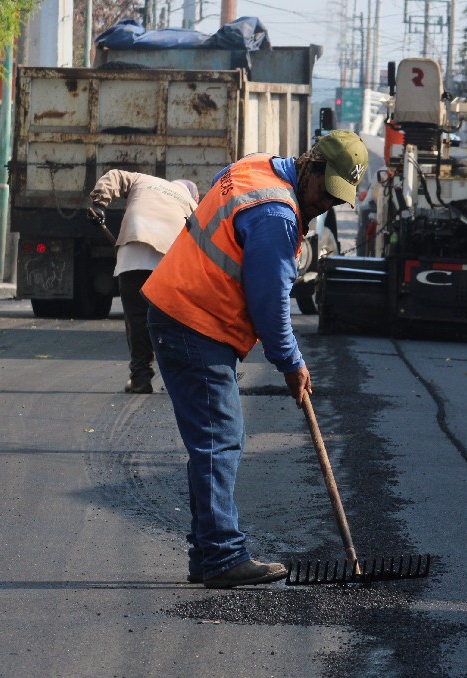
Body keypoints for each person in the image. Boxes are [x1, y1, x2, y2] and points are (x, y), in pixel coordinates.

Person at [141, 130, 368, 588]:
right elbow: (270, 307)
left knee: (215, 439)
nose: (326, 203)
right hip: (194, 321)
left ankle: (208, 555)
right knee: (219, 439)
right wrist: (292, 364)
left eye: (337, 200)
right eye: (326, 191)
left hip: (181, 310)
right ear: (312, 166)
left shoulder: (256, 166)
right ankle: (223, 556)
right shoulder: (277, 218)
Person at [88, 171, 199, 394]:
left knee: (137, 320)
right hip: (170, 260)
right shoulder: (191, 204)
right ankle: (179, 379)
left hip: (133, 251)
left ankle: (140, 378)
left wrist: (99, 204)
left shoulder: (145, 180)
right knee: (172, 322)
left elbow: (115, 176)